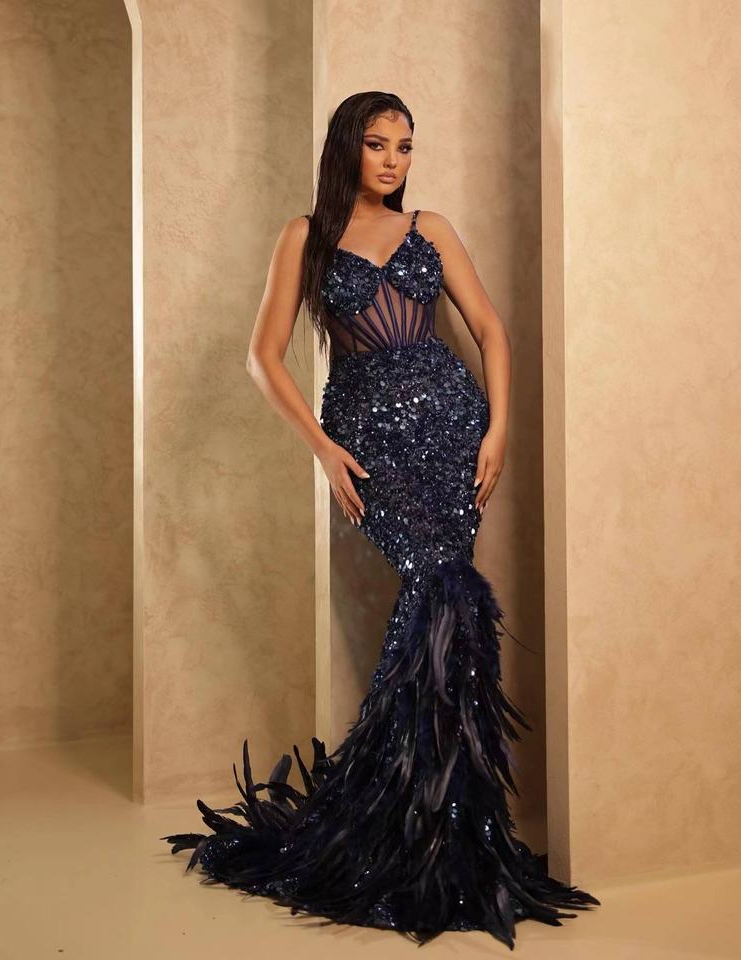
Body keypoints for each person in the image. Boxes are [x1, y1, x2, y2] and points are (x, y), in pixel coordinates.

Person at [162, 91, 600, 948]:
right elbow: (262, 356)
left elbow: (492, 331)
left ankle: (449, 828)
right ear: (347, 149)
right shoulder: (306, 236)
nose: (394, 160)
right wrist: (323, 448)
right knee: (441, 591)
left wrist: (499, 429)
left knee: (449, 600)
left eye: (405, 146)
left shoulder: (431, 228)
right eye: (377, 144)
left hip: (453, 425)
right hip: (367, 435)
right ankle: (403, 822)